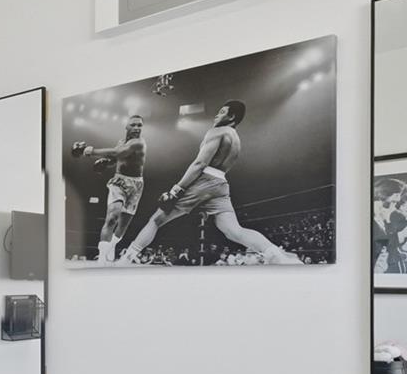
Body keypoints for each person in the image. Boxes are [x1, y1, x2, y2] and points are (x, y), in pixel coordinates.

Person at [117, 100, 300, 265]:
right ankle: (277, 255)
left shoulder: (216, 131)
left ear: (232, 117)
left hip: (204, 180)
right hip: (221, 184)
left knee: (156, 220)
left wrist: (176, 190)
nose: (216, 115)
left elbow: (200, 164)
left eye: (222, 112)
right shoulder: (236, 138)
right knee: (234, 231)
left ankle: (126, 259)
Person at [71, 115, 146, 262]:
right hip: (119, 182)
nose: (137, 128)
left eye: (139, 125)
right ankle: (102, 259)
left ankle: (111, 247)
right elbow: (115, 159)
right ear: (126, 126)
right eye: (133, 125)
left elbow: (119, 153)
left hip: (136, 185)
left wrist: (91, 151)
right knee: (112, 218)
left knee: (122, 226)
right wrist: (105, 162)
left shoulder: (139, 143)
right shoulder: (121, 142)